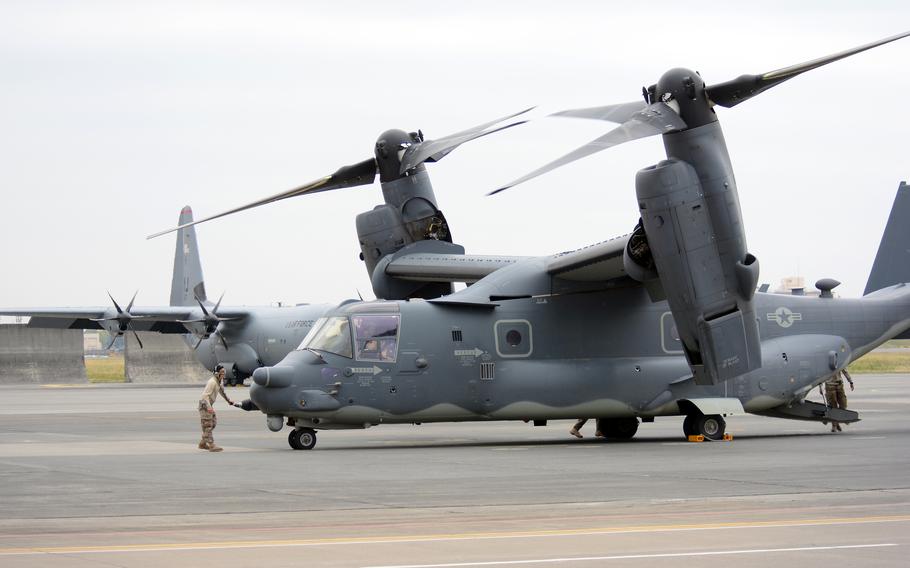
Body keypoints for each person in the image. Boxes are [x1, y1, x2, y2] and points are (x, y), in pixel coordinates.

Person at [198, 364, 241, 451]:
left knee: (213, 423)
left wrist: (229, 401)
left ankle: (203, 443)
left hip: (209, 405)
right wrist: (209, 407)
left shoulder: (218, 382)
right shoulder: (212, 382)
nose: (224, 374)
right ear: (217, 373)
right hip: (205, 405)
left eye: (224, 372)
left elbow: (222, 392)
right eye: (222, 372)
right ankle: (211, 445)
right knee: (208, 425)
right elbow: (205, 396)